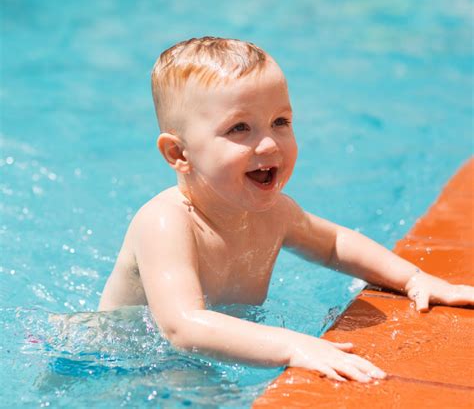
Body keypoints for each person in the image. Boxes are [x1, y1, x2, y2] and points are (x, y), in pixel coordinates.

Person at [98, 37, 474, 383]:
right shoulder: (166, 222)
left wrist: (413, 279)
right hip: (113, 361)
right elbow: (183, 327)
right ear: (179, 154)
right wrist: (293, 345)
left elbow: (333, 244)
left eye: (280, 122)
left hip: (194, 356)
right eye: (239, 128)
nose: (268, 144)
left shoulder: (274, 212)